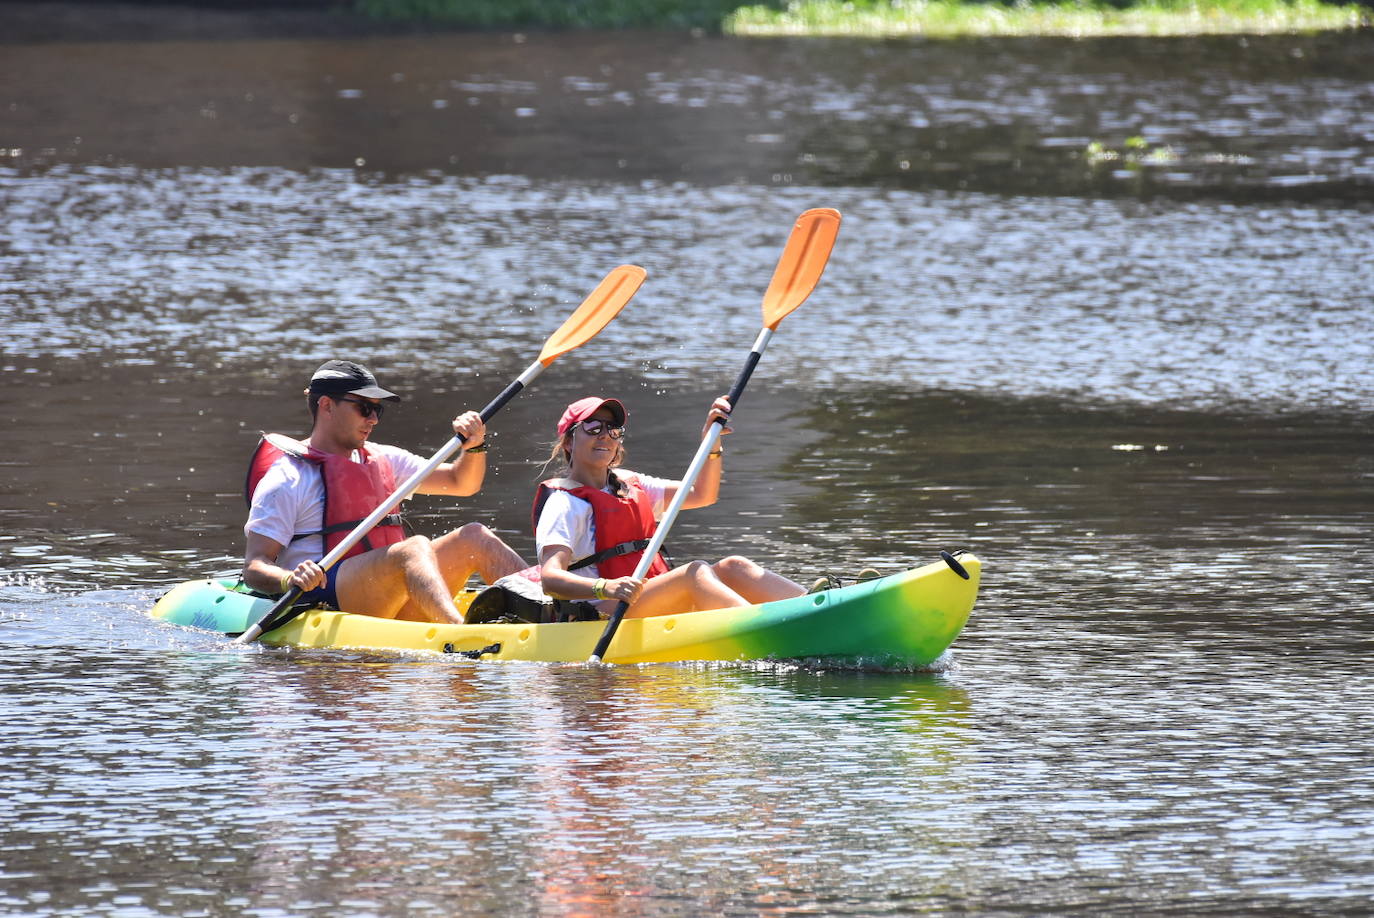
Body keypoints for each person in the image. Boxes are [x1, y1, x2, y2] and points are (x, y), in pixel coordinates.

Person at [242, 359, 526, 624]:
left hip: (387, 590)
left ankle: (549, 610)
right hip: (329, 598)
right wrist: (289, 578)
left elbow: (461, 483)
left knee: (474, 536)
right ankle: (460, 633)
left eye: (378, 409)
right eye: (364, 408)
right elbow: (255, 566)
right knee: (413, 548)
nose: (374, 419)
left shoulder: (385, 459)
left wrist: (474, 446)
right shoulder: (287, 477)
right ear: (326, 405)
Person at [534, 395, 806, 619]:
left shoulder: (630, 484)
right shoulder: (564, 503)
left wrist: (711, 443)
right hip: (599, 611)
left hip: (643, 598)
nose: (605, 435)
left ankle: (814, 606)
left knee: (734, 566)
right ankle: (761, 626)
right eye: (593, 427)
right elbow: (550, 579)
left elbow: (702, 494)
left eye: (612, 429)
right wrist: (607, 587)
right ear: (568, 441)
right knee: (694, 572)